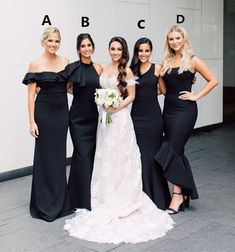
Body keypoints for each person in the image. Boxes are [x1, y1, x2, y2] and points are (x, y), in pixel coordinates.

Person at [64, 36, 174, 244]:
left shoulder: (128, 70)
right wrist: (103, 104)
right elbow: (88, 88)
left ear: (123, 51)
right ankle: (105, 195)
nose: (115, 52)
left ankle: (124, 197)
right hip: (104, 120)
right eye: (112, 48)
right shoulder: (103, 69)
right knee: (106, 156)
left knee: (122, 156)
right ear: (108, 49)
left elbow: (131, 95)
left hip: (120, 119)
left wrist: (116, 107)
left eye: (118, 49)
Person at [155, 25, 218, 215]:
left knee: (170, 150)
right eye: (171, 39)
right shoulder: (166, 61)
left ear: (184, 39)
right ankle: (184, 192)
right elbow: (164, 90)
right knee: (178, 151)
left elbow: (213, 80)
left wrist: (196, 96)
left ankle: (177, 195)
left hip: (185, 111)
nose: (174, 42)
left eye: (177, 38)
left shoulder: (192, 60)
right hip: (169, 109)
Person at [22, 26, 71, 221]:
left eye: (57, 41)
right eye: (50, 40)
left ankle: (60, 202)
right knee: (44, 157)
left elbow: (69, 88)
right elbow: (30, 95)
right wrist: (31, 122)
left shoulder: (66, 62)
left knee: (59, 157)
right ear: (44, 42)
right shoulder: (35, 64)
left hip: (61, 114)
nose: (54, 44)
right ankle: (43, 203)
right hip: (44, 114)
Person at [130, 37, 171, 210]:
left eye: (147, 50)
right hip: (135, 117)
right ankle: (142, 195)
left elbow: (164, 89)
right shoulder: (132, 70)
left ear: (151, 52)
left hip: (153, 117)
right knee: (139, 157)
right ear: (136, 52)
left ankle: (158, 197)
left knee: (152, 156)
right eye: (140, 50)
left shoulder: (157, 68)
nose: (144, 54)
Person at [66, 33, 102, 211]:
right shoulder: (72, 68)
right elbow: (64, 87)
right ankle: (78, 200)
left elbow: (109, 86)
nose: (87, 49)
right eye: (83, 46)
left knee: (92, 155)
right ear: (78, 49)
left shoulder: (99, 68)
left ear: (93, 47)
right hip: (77, 118)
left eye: (89, 45)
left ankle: (89, 195)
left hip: (94, 117)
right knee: (81, 155)